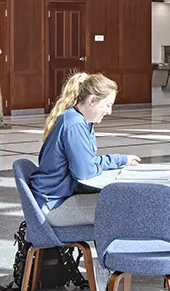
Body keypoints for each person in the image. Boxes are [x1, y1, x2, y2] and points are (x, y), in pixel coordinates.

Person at [30, 73, 142, 227]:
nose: (109, 111)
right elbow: (83, 171)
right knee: (129, 207)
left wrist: (118, 160)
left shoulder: (79, 121)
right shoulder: (75, 124)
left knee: (122, 200)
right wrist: (110, 162)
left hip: (58, 198)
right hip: (54, 206)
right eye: (108, 105)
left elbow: (87, 163)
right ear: (92, 101)